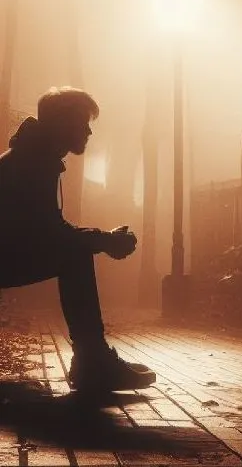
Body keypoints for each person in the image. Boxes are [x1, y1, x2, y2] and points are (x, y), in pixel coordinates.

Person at [0, 86, 156, 393]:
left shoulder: (33, 155)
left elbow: (47, 230)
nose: (88, 131)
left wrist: (101, 239)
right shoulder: (34, 162)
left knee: (75, 250)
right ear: (62, 123)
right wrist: (104, 241)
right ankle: (93, 363)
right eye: (82, 122)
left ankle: (93, 360)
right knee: (75, 254)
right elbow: (50, 234)